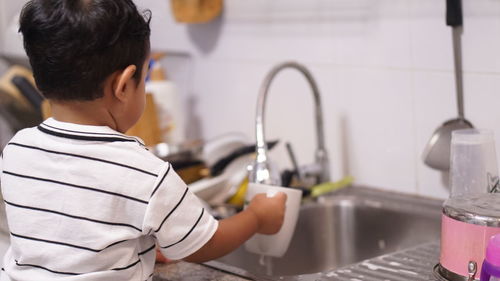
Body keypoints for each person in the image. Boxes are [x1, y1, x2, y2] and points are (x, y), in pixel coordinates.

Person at [0, 0, 287, 280]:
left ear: (39, 79)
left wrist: (141, 240)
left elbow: (67, 234)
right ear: (124, 85)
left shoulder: (16, 151)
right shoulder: (143, 172)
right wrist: (257, 217)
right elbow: (204, 243)